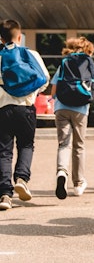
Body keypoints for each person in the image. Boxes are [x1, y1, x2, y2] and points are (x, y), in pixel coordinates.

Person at [51, 37, 94, 200]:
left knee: (63, 143)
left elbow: (53, 90)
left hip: (61, 107)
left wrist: (54, 101)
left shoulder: (63, 63)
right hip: (80, 109)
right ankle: (78, 184)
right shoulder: (91, 64)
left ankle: (61, 172)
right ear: (88, 51)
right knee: (79, 146)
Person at [0, 19, 50, 210]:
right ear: (19, 36)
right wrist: (30, 92)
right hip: (26, 108)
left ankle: (5, 194)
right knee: (26, 145)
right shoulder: (31, 54)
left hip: (3, 108)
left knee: (4, 151)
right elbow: (44, 78)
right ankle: (21, 178)